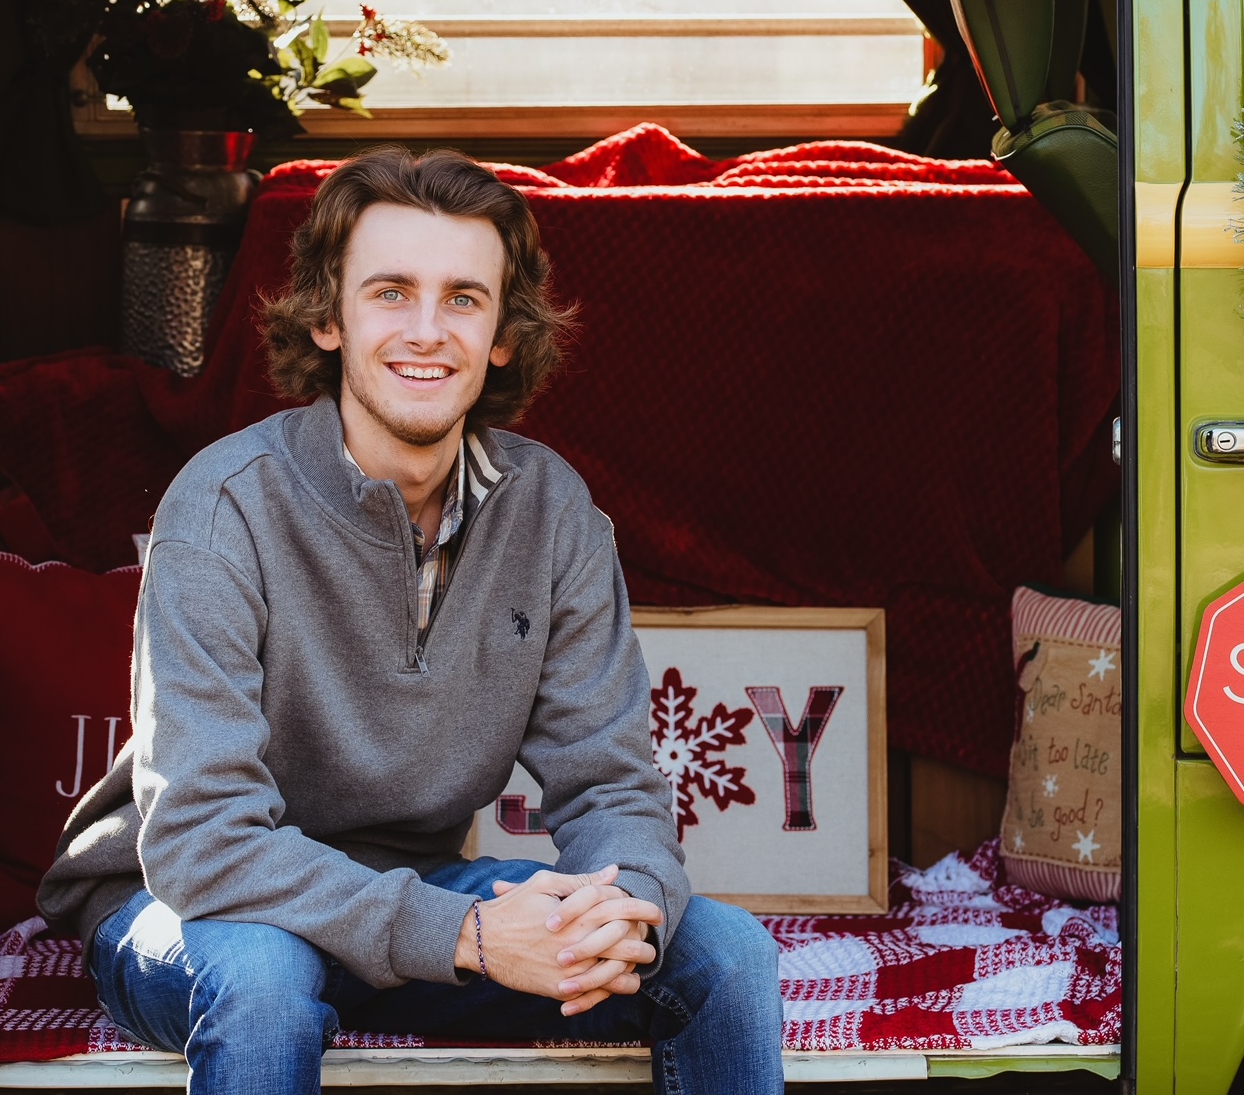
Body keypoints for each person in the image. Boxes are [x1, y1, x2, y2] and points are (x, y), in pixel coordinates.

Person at [38, 146, 785, 1094]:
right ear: (327, 317)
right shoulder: (225, 505)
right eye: (391, 292)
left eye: (463, 299)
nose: (426, 331)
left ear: (503, 335)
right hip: (192, 905)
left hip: (411, 903)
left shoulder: (551, 511)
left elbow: (611, 788)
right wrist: (469, 935)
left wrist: (619, 909)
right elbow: (203, 839)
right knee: (268, 979)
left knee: (723, 954)